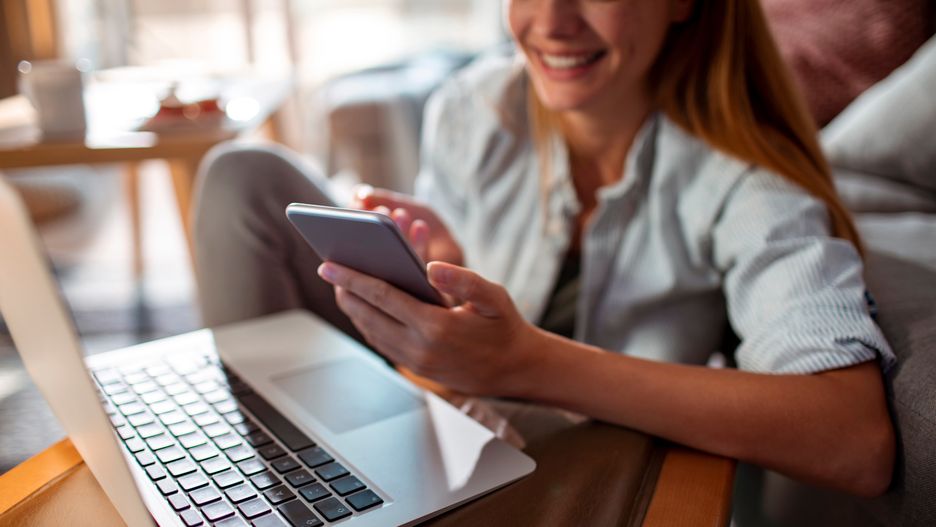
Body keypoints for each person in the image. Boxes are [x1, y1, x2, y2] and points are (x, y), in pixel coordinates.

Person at [193, 0, 896, 498]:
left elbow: (856, 440)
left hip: (573, 456)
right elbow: (457, 348)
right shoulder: (474, 106)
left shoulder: (747, 182)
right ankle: (265, 492)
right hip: (445, 419)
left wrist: (528, 361)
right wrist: (444, 272)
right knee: (242, 176)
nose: (552, 22)